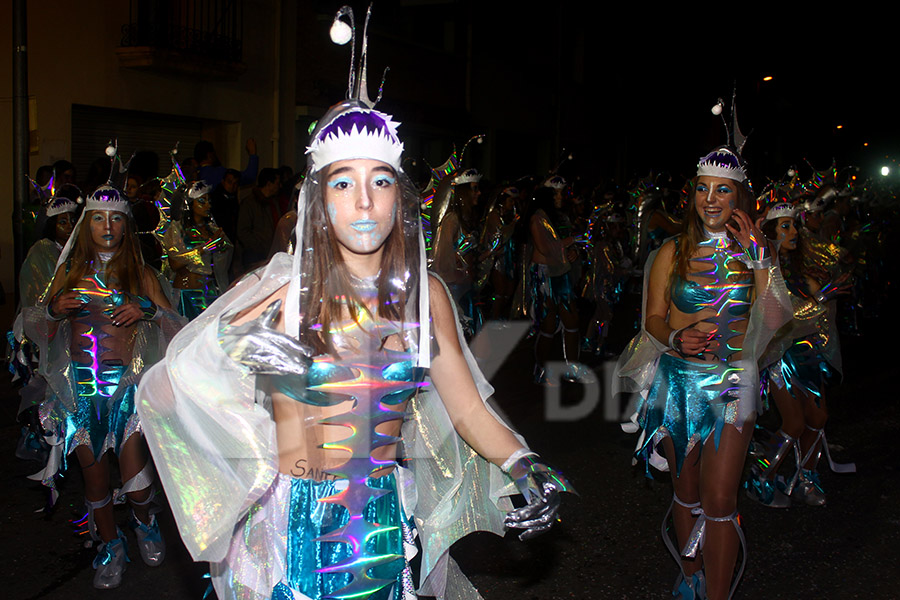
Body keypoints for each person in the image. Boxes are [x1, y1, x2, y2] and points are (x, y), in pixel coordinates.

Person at [136, 10, 570, 600]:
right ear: (318, 199)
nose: (364, 201)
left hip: (385, 527)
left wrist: (524, 462)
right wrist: (250, 435)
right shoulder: (279, 296)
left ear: (400, 194)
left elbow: (467, 411)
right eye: (343, 182)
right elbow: (167, 390)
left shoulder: (426, 294)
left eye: (380, 180)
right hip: (294, 532)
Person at [617, 146, 791, 600]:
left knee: (719, 500)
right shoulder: (670, 251)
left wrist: (761, 261)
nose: (710, 199)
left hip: (735, 383)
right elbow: (653, 319)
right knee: (686, 491)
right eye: (702, 188)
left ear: (740, 198)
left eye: (723, 190)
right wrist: (674, 339)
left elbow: (775, 321)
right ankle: (691, 573)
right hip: (677, 383)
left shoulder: (758, 254)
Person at [22, 179, 184, 589]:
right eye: (97, 218)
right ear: (86, 224)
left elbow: (179, 328)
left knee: (133, 480)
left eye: (115, 219)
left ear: (127, 226)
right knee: (95, 482)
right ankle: (111, 545)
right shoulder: (67, 272)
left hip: (127, 389)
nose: (107, 226)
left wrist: (145, 308)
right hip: (79, 392)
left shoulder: (142, 274)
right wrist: (55, 309)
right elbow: (33, 325)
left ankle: (146, 522)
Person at [747, 203, 855, 508]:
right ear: (769, 232)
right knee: (793, 423)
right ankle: (761, 474)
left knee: (818, 416)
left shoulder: (802, 273)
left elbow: (814, 314)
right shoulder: (760, 271)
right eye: (785, 226)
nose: (794, 232)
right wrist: (819, 298)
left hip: (805, 353)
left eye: (794, 226)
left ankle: (806, 477)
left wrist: (823, 297)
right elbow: (776, 318)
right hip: (775, 356)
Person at [163, 181, 233, 319]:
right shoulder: (177, 230)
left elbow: (223, 264)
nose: (208, 205)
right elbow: (175, 263)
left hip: (210, 293)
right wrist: (205, 248)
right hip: (187, 294)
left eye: (209, 201)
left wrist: (221, 247)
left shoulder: (213, 230)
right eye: (202, 201)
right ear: (189, 204)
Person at [237, 167, 282, 271]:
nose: (279, 186)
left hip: (271, 253)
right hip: (255, 256)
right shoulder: (249, 203)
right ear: (269, 183)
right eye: (277, 183)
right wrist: (259, 247)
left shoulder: (273, 203)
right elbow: (242, 231)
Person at [195, 137, 259, 189]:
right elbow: (249, 177)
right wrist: (252, 153)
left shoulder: (194, 175)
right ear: (210, 155)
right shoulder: (218, 173)